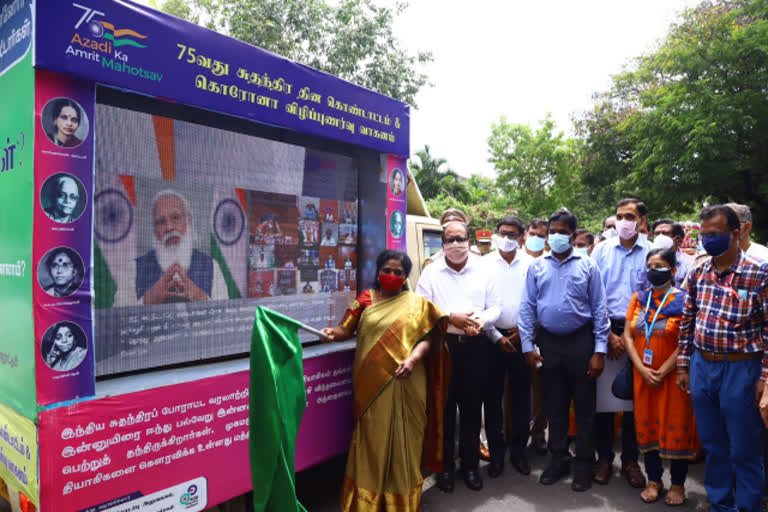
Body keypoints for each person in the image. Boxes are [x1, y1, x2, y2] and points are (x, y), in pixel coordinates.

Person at [324, 250, 448, 512]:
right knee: (371, 438)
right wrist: (331, 334)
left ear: (405, 277)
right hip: (371, 384)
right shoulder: (365, 300)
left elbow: (427, 340)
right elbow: (345, 329)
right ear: (378, 272)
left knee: (407, 440)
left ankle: (399, 501)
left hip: (408, 380)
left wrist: (413, 360)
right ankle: (367, 502)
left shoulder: (418, 304)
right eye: (387, 271)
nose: (391, 276)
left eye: (398, 272)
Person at [678, 204, 768, 512]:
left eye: (715, 234)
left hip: (742, 368)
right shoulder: (699, 272)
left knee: (744, 447)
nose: (708, 240)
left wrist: (765, 379)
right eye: (704, 235)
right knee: (714, 445)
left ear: (736, 232)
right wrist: (684, 365)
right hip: (703, 365)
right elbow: (688, 320)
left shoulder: (759, 272)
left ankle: (749, 507)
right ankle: (720, 504)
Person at [519, 208, 609, 492]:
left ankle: (583, 463)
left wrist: (599, 350)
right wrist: (527, 346)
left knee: (584, 408)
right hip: (549, 343)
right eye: (552, 231)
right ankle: (559, 459)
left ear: (572, 234)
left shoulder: (587, 265)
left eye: (562, 231)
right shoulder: (537, 266)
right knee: (554, 405)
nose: (557, 236)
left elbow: (599, 309)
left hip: (580, 342)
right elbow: (527, 308)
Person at [416, 212, 501, 493]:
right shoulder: (431, 272)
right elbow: (421, 309)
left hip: (476, 347)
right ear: (442, 243)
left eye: (460, 238)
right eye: (449, 239)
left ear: (469, 240)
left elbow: (495, 306)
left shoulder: (484, 269)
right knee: (444, 410)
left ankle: (469, 467)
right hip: (444, 348)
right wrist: (450, 317)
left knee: (471, 409)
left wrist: (481, 321)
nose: (455, 244)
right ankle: (445, 469)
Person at [623, 248, 696, 505]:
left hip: (674, 376)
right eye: (650, 265)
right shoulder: (639, 298)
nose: (654, 270)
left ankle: (677, 484)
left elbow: (688, 339)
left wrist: (665, 369)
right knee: (648, 426)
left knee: (677, 426)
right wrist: (641, 368)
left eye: (660, 265)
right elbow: (628, 335)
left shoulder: (686, 300)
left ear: (674, 270)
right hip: (642, 375)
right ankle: (653, 480)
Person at [590, 198, 650, 488]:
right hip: (607, 330)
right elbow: (593, 295)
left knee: (634, 400)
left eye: (630, 216)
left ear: (641, 221)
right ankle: (604, 458)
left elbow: (656, 297)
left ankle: (630, 459)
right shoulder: (600, 251)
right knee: (604, 402)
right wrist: (608, 334)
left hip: (641, 332)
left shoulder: (653, 253)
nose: (623, 221)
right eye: (619, 216)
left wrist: (631, 335)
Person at [484, 216, 534, 479]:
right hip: (491, 338)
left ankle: (519, 451)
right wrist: (495, 336)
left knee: (520, 398)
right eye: (503, 232)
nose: (507, 238)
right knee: (492, 399)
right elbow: (478, 304)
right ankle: (497, 454)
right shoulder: (482, 265)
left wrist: (523, 334)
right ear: (496, 234)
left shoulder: (532, 264)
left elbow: (537, 301)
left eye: (513, 234)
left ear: (522, 237)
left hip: (521, 336)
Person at [127, 190, 227, 305]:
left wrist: (201, 297)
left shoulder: (212, 266)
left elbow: (227, 316)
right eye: (161, 222)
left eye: (175, 217)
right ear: (154, 230)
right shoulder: (133, 269)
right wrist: (147, 300)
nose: (169, 227)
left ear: (188, 221)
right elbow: (115, 319)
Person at [522, 217, 550, 456]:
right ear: (525, 234)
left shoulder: (550, 262)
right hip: (511, 333)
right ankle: (511, 433)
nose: (537, 238)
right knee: (511, 390)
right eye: (533, 233)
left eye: (542, 235)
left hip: (542, 334)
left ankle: (538, 432)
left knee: (541, 388)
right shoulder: (514, 259)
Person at [652, 219, 693, 288]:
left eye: (665, 233)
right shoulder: (646, 261)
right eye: (657, 233)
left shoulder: (690, 265)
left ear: (678, 240)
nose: (660, 237)